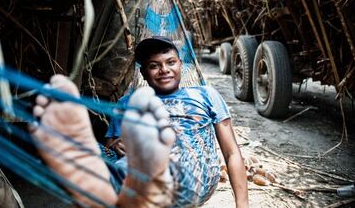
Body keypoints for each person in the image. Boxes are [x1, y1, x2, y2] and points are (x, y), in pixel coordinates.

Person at [32, 36, 249, 207]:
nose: (164, 70)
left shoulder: (205, 95)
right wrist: (115, 144)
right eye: (154, 66)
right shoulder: (128, 102)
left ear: (181, 65)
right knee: (110, 159)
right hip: (135, 169)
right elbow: (112, 146)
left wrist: (243, 204)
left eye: (170, 62)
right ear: (144, 73)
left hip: (193, 171)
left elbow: (231, 153)